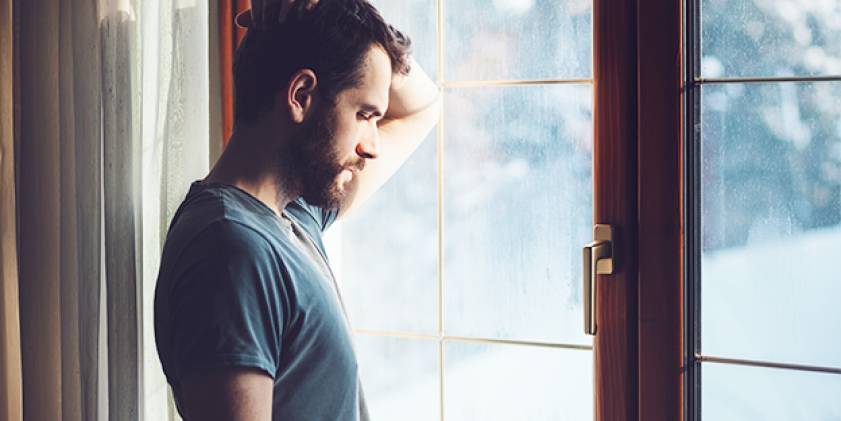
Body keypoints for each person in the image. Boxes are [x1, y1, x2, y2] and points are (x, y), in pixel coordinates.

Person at [153, 0, 441, 419]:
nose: (373, 145)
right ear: (302, 95)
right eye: (364, 115)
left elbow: (422, 107)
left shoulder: (294, 217)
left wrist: (345, 14)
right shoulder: (231, 250)